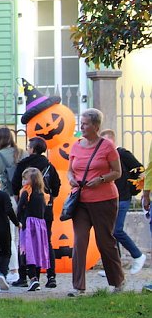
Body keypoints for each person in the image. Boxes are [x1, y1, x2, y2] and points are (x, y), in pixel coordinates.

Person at [67, 108, 124, 297]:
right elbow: (70, 170)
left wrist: (101, 179)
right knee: (79, 241)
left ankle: (117, 281)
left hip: (104, 200)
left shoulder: (107, 146)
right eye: (81, 123)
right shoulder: (76, 146)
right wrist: (71, 179)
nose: (81, 127)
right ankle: (78, 287)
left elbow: (117, 172)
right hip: (80, 200)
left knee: (104, 241)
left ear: (96, 126)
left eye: (85, 124)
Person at [11, 137, 61, 288]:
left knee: (26, 244)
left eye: (28, 147)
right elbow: (56, 186)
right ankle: (51, 276)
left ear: (32, 149)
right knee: (45, 242)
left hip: (28, 212)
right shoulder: (49, 166)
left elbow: (15, 186)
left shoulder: (23, 165)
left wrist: (21, 203)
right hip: (45, 209)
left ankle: (25, 277)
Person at [100, 130, 146, 274]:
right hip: (109, 198)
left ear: (112, 141)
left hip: (123, 198)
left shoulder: (122, 153)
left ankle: (138, 255)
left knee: (116, 230)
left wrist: (133, 188)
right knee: (111, 232)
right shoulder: (105, 156)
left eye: (106, 142)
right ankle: (115, 267)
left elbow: (141, 170)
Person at [0, 127, 25, 286]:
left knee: (9, 235)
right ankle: (22, 269)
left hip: (6, 197)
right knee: (18, 236)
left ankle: (14, 270)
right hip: (22, 197)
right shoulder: (22, 153)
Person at [17, 168, 51, 291]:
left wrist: (18, 221)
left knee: (27, 252)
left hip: (28, 225)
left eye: (25, 179)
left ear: (32, 180)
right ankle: (37, 279)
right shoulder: (43, 194)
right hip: (40, 226)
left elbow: (20, 208)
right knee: (37, 252)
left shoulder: (26, 192)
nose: (23, 181)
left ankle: (32, 278)